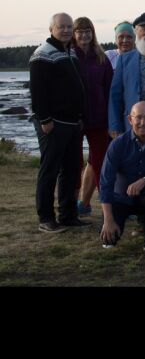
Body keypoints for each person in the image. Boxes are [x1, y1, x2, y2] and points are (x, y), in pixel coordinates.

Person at [30, 12, 87, 233]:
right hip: (53, 123)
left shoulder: (69, 51)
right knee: (50, 170)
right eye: (61, 26)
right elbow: (38, 91)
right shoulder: (42, 54)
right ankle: (45, 218)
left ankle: (68, 215)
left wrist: (80, 116)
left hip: (72, 123)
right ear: (51, 29)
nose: (65, 30)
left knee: (71, 169)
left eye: (68, 27)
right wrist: (44, 119)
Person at [98, 102, 145, 255]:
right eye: (138, 117)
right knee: (109, 241)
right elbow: (106, 182)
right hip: (120, 198)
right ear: (130, 119)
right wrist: (108, 220)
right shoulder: (117, 144)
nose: (143, 122)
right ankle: (113, 227)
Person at [70, 17, 113, 218]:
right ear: (73, 34)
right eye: (80, 31)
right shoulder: (68, 55)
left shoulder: (101, 58)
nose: (84, 35)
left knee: (101, 163)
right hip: (75, 119)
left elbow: (109, 89)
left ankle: (107, 208)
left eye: (88, 31)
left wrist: (110, 118)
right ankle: (71, 208)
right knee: (74, 163)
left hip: (98, 119)